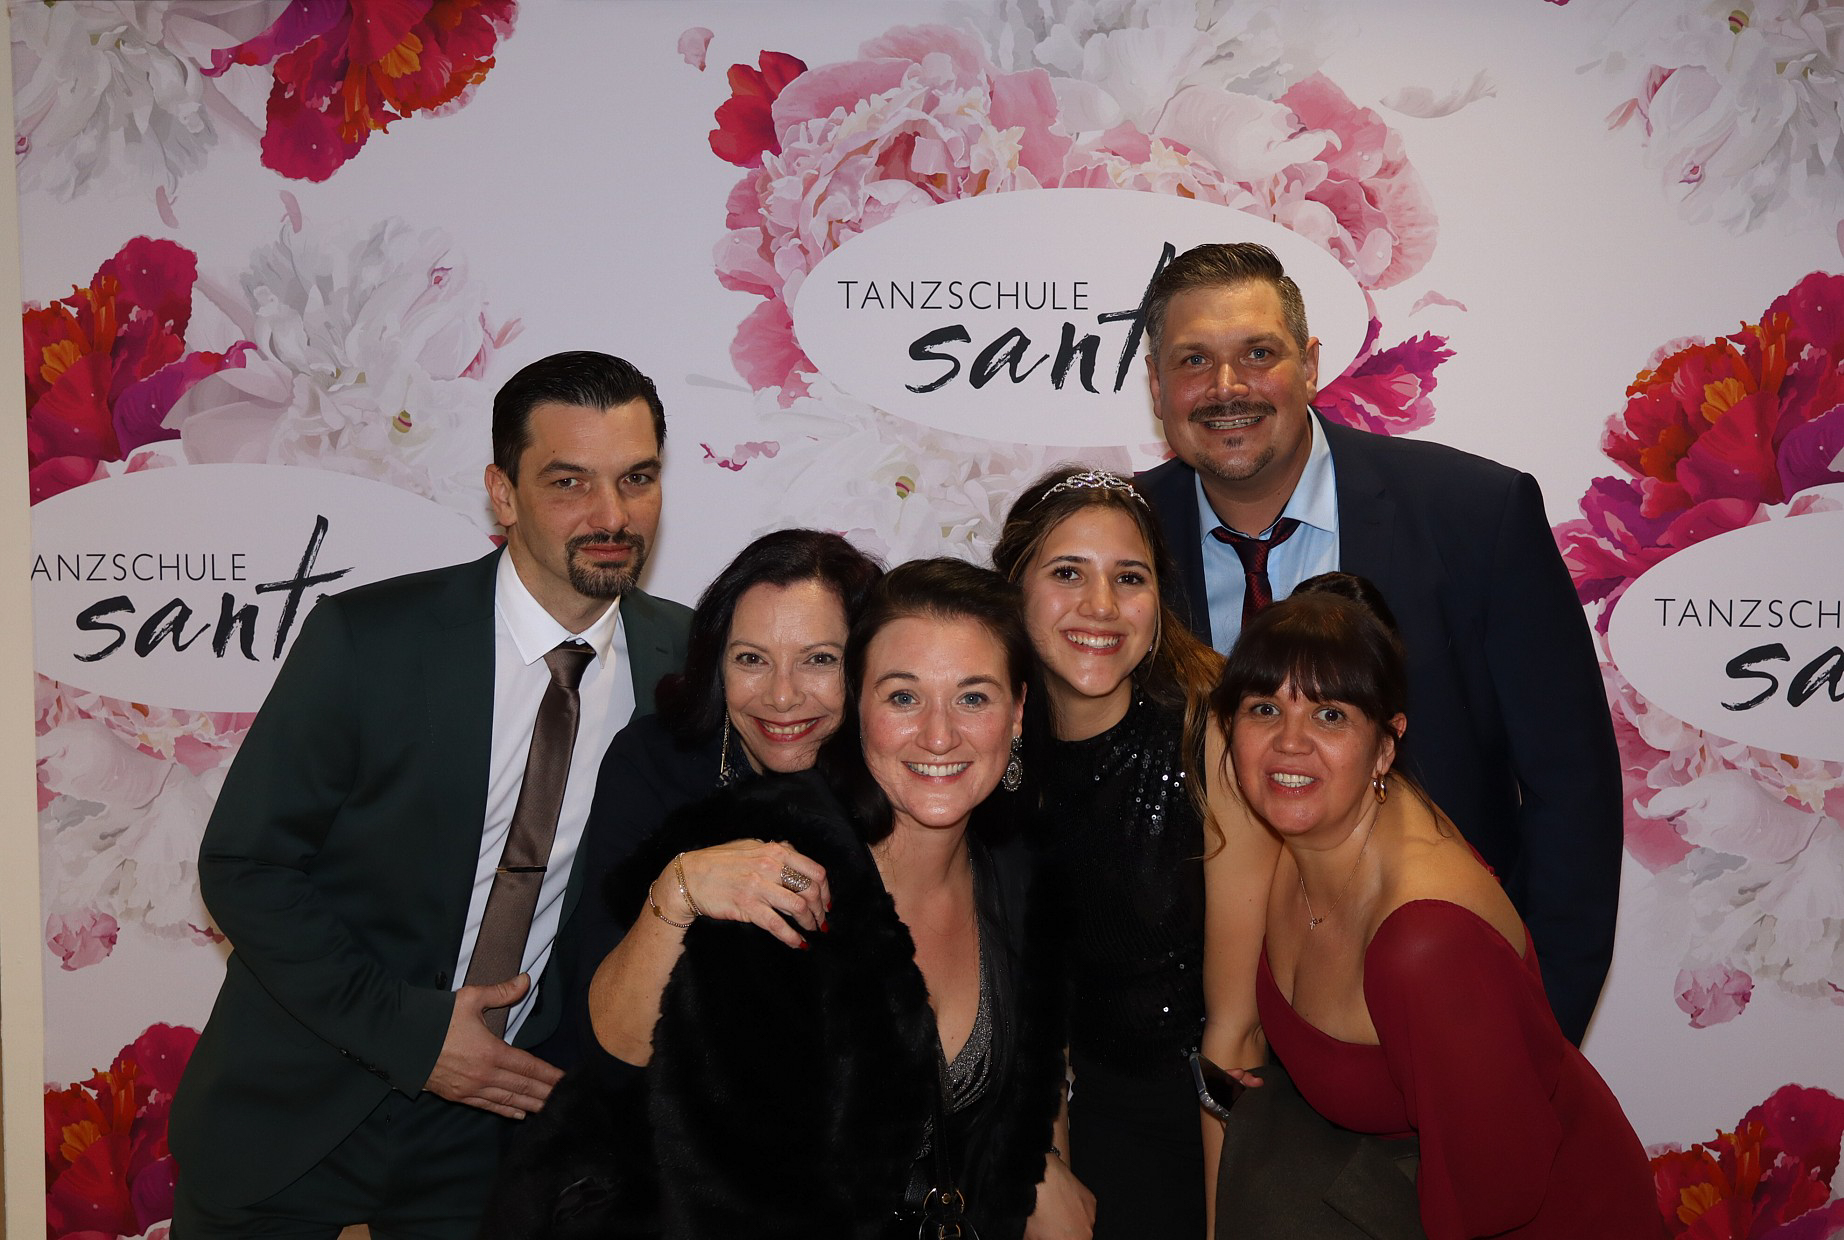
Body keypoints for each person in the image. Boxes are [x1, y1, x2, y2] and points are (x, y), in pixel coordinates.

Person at [170, 351, 693, 1237]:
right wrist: (413, 1036)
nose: (612, 516)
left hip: (503, 1131)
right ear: (503, 493)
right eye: (569, 481)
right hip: (304, 1097)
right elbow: (245, 865)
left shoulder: (687, 665)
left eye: (636, 479)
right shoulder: (370, 639)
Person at [483, 559, 1068, 1240]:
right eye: (904, 697)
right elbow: (716, 1190)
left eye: (973, 698)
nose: (939, 736)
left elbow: (1026, 1087)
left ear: (1018, 712)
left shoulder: (1020, 869)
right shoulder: (772, 875)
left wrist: (1040, 1173)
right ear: (857, 708)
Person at [1135, 241, 1621, 1044]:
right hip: (1199, 1038)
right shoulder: (1118, 548)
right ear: (1157, 386)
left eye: (1258, 353)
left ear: (1310, 365)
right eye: (1194, 360)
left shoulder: (1476, 516)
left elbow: (1574, 790)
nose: (1227, 388)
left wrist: (1534, 1032)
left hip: (1436, 1024)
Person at [1206, 574, 1660, 1238]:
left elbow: (1493, 1197)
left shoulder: (1425, 943)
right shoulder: (1293, 827)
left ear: (1385, 746)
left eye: (1330, 715)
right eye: (1264, 709)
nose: (1290, 742)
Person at [991, 466, 1273, 1238]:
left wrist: (1222, 1226)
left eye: (1129, 577)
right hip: (1070, 1112)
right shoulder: (987, 746)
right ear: (1014, 588)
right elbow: (1026, 997)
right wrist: (1047, 1165)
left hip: (1214, 1119)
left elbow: (1236, 1035)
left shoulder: (1210, 735)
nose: (1102, 606)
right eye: (1068, 573)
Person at [536, 527, 883, 1070]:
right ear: (717, 661)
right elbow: (613, 1047)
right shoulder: (653, 762)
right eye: (752, 659)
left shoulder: (899, 772)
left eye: (819, 659)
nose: (782, 696)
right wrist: (680, 889)